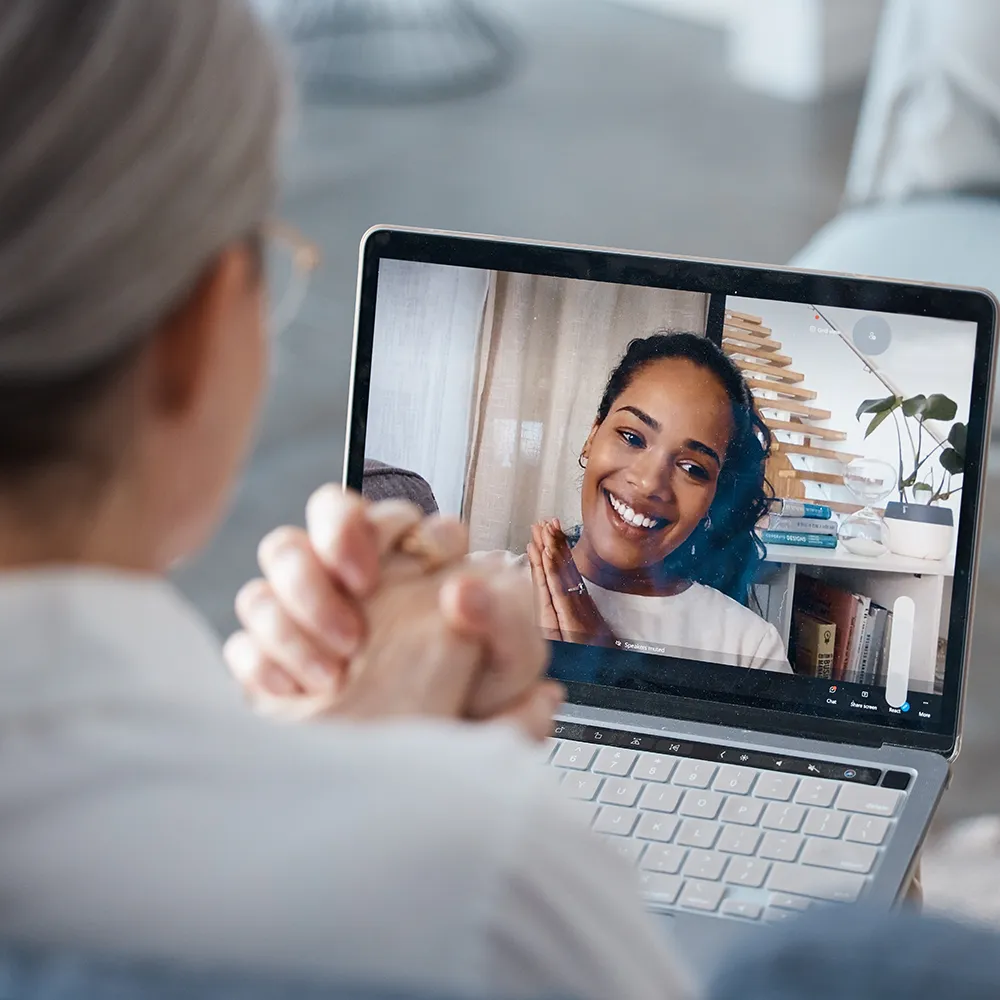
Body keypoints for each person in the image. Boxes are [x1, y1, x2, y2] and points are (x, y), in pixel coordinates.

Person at [0, 3, 692, 999]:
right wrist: (389, 802)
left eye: (694, 462)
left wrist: (319, 757)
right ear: (196, 333)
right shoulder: (482, 881)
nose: (651, 478)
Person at [523, 333, 792, 673]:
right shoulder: (469, 588)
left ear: (713, 497)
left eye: (693, 468)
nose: (650, 483)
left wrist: (606, 670)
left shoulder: (749, 648)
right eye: (632, 438)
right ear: (592, 436)